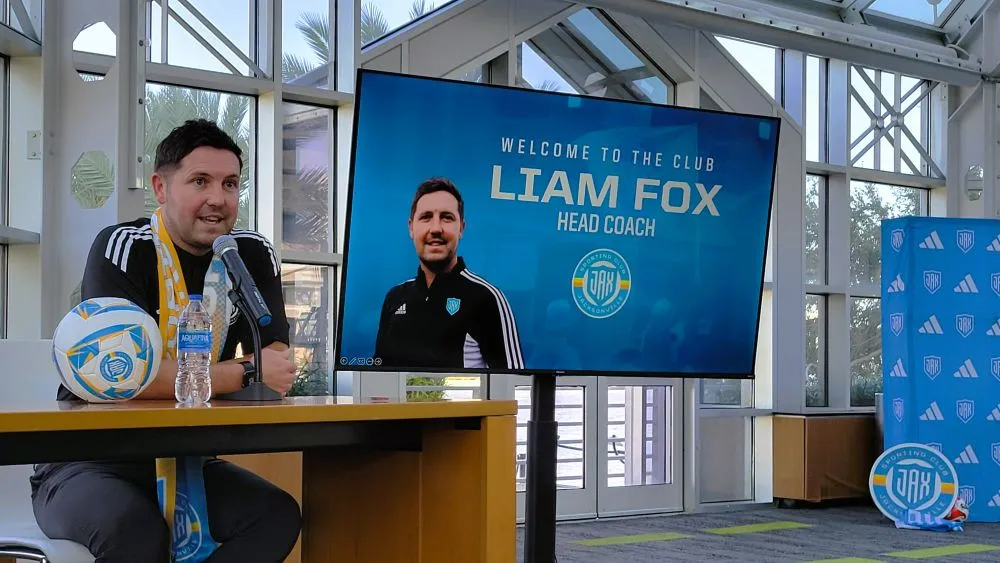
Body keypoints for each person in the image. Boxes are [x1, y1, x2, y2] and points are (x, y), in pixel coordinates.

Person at [30, 119, 301, 562]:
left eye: (231, 183)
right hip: (88, 461)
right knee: (135, 530)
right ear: (160, 187)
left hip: (190, 458)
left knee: (275, 515)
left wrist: (238, 372)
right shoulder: (122, 246)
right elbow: (131, 380)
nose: (218, 198)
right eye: (200, 181)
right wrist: (243, 371)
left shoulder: (248, 252)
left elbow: (278, 366)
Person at [374, 177, 524, 371]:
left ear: (461, 228)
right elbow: (377, 379)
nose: (436, 228)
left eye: (446, 217)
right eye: (426, 217)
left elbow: (516, 384)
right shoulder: (394, 298)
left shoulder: (487, 298)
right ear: (411, 227)